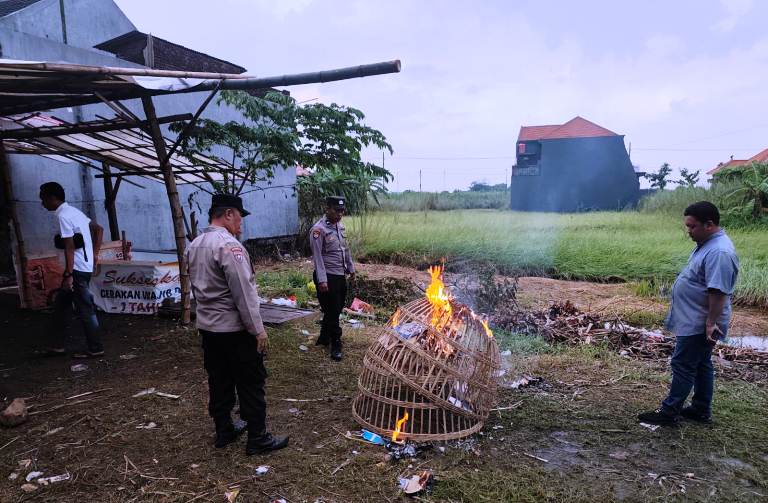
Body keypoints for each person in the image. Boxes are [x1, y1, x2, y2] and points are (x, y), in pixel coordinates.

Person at [186, 194, 288, 455]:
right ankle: (258, 438)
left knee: (219, 380)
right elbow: (243, 293)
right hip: (234, 330)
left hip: (209, 329)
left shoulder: (195, 244)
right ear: (228, 214)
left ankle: (224, 430)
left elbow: (195, 289)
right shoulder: (229, 246)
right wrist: (258, 330)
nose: (241, 224)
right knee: (251, 383)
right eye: (239, 217)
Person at [638, 201, 739, 425]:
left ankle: (669, 412)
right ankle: (700, 409)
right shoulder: (708, 244)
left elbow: (719, 292)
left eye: (692, 227)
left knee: (683, 364)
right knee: (702, 363)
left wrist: (710, 323)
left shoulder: (719, 252)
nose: (688, 231)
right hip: (696, 318)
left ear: (709, 224)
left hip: (701, 321)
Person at [39, 182, 104, 358]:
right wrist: (94, 255)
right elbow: (98, 229)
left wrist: (68, 274)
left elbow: (69, 247)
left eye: (43, 198)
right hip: (81, 266)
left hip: (76, 269)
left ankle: (96, 347)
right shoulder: (74, 212)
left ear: (52, 198)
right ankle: (57, 344)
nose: (41, 203)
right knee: (61, 306)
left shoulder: (64, 216)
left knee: (85, 308)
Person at [309, 196, 356, 361]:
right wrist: (322, 280)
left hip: (339, 275)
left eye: (342, 211)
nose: (340, 214)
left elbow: (345, 250)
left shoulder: (340, 227)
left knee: (335, 309)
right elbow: (317, 257)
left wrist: (351, 268)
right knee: (333, 311)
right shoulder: (318, 230)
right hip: (327, 276)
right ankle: (336, 343)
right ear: (327, 208)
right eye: (337, 210)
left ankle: (323, 337)